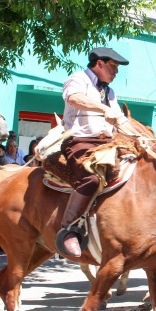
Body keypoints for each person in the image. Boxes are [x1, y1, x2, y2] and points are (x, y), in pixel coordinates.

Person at [54, 47, 131, 257]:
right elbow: (74, 98)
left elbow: (119, 119)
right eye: (113, 67)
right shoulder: (78, 78)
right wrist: (104, 108)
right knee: (92, 179)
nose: (116, 72)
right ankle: (69, 230)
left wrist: (139, 137)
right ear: (99, 64)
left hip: (106, 143)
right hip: (79, 141)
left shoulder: (110, 92)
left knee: (135, 170)